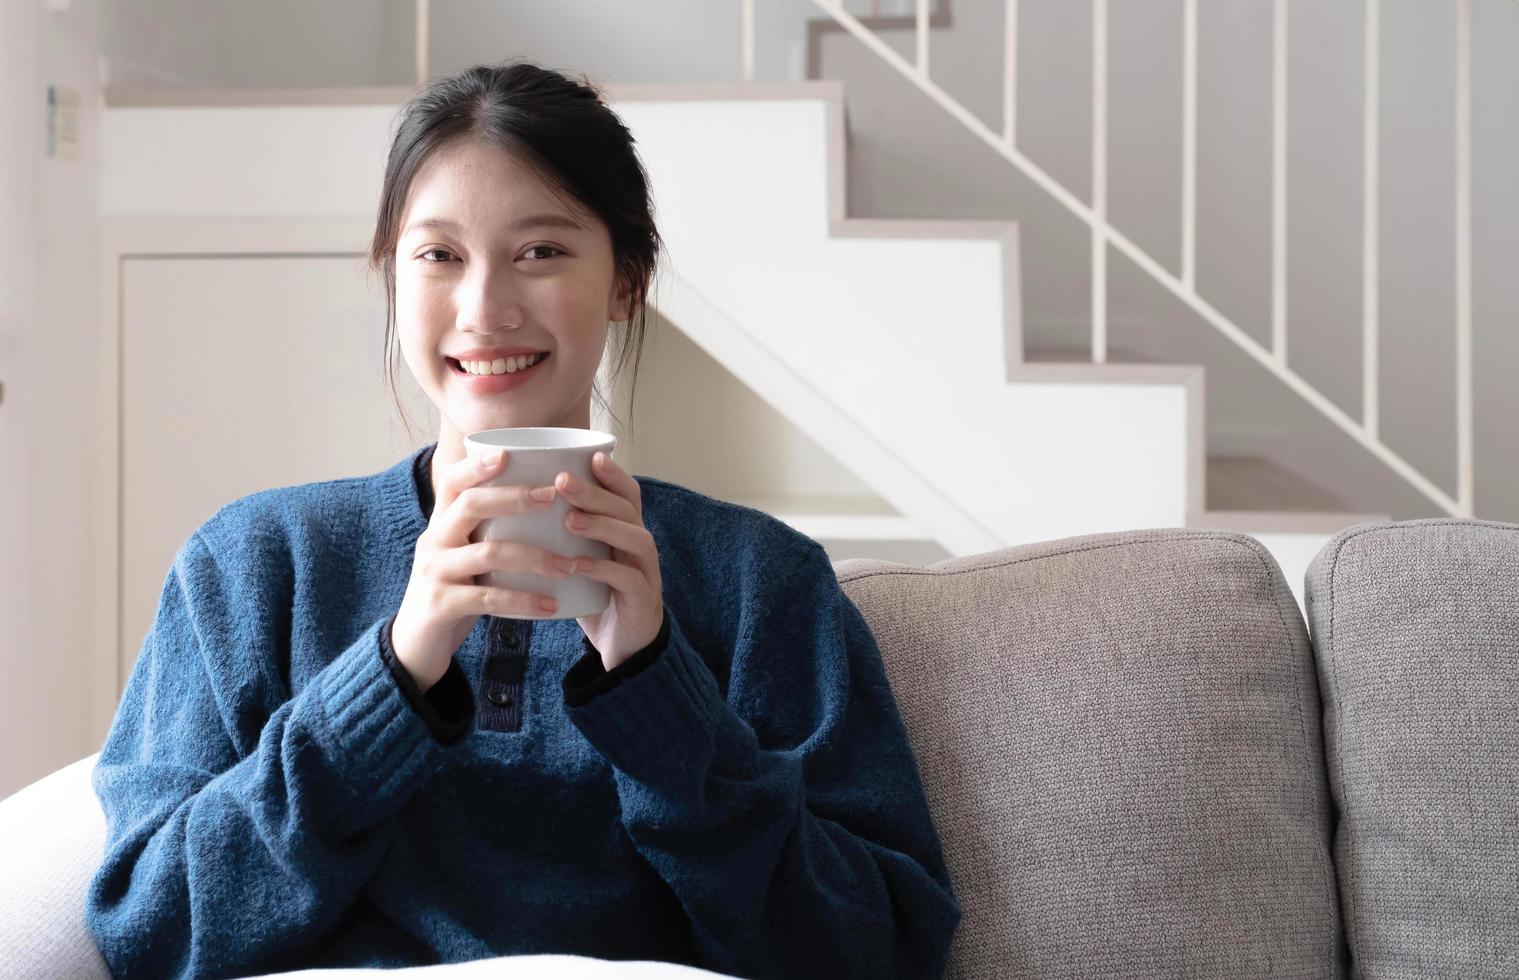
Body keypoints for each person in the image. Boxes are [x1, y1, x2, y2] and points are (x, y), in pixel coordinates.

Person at [85, 60, 962, 979]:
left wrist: (656, 684)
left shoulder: (760, 581)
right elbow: (151, 928)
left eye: (541, 252)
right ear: (393, 276)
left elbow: (883, 949)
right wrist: (395, 671)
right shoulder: (254, 563)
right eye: (438, 256)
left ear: (626, 281)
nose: (484, 309)